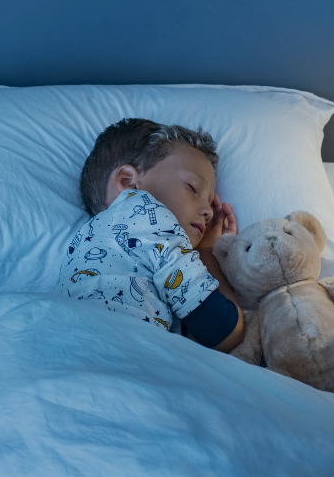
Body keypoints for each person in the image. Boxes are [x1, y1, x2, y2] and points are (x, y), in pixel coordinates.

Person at [56, 118, 244, 352]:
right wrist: (206, 252)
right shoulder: (145, 212)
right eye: (192, 187)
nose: (208, 212)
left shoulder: (83, 241)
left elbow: (195, 344)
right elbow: (224, 332)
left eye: (209, 201)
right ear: (129, 183)